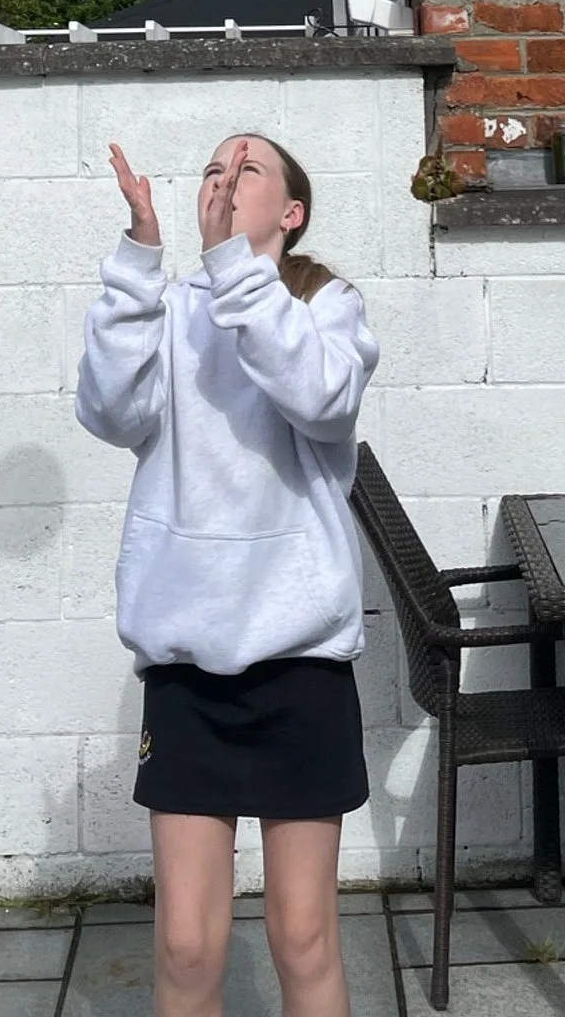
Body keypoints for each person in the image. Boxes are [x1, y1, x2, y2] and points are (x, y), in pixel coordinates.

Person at [77, 133, 380, 1017]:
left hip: (301, 664)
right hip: (187, 665)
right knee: (184, 943)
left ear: (291, 212)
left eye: (247, 169)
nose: (224, 180)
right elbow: (109, 411)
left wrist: (234, 272)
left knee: (303, 935)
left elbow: (322, 399)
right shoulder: (170, 310)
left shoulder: (327, 306)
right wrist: (139, 262)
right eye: (213, 169)